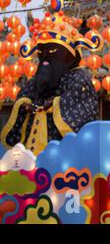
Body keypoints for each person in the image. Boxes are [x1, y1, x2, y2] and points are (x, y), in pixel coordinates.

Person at [0, 9, 103, 155]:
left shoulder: (78, 77)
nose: (46, 57)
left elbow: (81, 107)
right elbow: (24, 95)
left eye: (53, 51)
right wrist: (25, 104)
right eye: (42, 53)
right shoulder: (39, 78)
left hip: (62, 153)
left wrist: (54, 105)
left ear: (68, 57)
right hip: (30, 151)